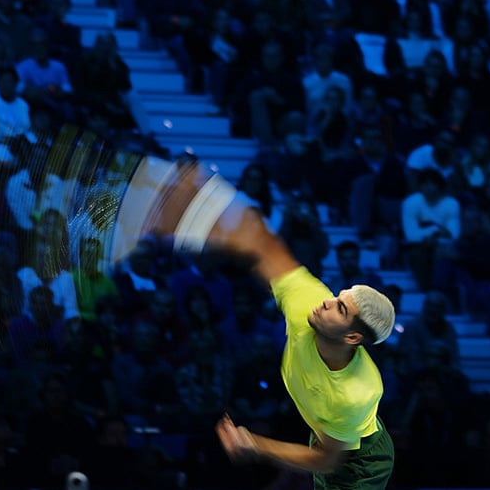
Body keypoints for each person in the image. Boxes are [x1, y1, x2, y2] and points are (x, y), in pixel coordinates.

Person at [141, 161, 395, 489]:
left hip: (361, 460)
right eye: (338, 295)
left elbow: (326, 460)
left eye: (341, 308)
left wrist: (255, 444)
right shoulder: (311, 303)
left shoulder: (356, 391)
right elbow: (265, 248)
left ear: (353, 335)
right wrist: (208, 214)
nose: (328, 301)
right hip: (325, 434)